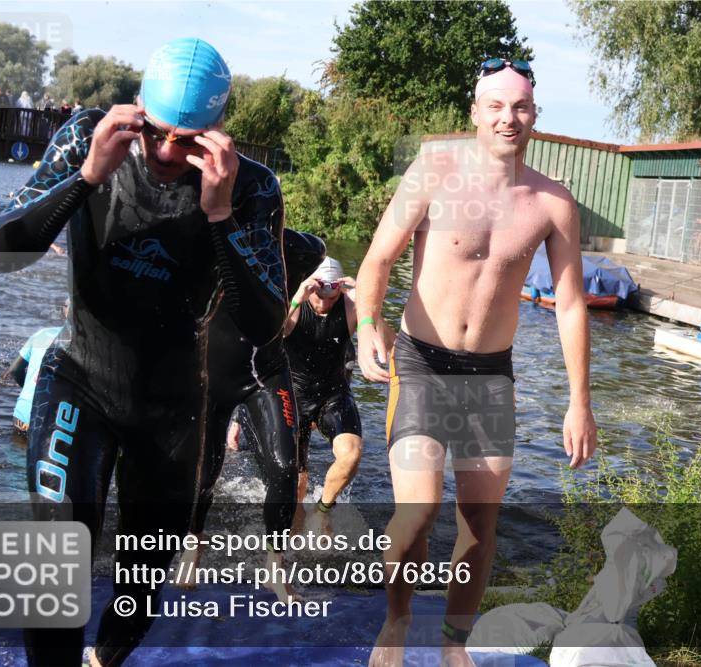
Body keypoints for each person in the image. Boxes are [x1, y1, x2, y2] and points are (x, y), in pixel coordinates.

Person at [0, 37, 287, 667]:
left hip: (173, 406)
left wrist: (221, 216)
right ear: (136, 109)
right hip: (81, 379)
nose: (168, 153)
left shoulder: (251, 187)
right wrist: (87, 176)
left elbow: (263, 324)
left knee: (142, 585)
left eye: (189, 140)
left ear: (218, 132)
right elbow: (2, 252)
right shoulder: (86, 138)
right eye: (155, 132)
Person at [356, 59, 598, 667]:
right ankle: (397, 619)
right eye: (495, 106)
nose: (507, 118)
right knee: (417, 513)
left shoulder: (553, 203)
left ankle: (453, 643)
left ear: (534, 117)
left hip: (490, 375)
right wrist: (365, 327)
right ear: (475, 112)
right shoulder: (435, 170)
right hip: (420, 363)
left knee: (479, 523)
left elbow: (570, 306)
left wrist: (580, 402)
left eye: (519, 107)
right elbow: (377, 261)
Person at [182, 229, 326, 602]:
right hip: (210, 372)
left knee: (285, 468)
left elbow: (314, 249)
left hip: (265, 371)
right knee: (203, 475)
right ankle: (191, 550)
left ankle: (274, 569)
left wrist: (265, 231)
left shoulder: (294, 250)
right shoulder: (206, 242)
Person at [285, 257, 392, 512]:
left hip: (333, 393)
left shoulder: (350, 307)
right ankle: (295, 521)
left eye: (331, 299)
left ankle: (323, 510)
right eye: (318, 296)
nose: (323, 304)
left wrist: (367, 305)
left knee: (351, 455)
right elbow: (270, 337)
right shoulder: (296, 303)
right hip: (294, 395)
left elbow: (389, 344)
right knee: (297, 482)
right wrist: (298, 298)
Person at [5, 301, 67, 432]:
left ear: (64, 311)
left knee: (15, 450)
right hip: (51, 420)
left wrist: (32, 389)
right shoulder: (83, 345)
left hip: (22, 414)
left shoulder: (41, 333)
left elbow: (14, 370)